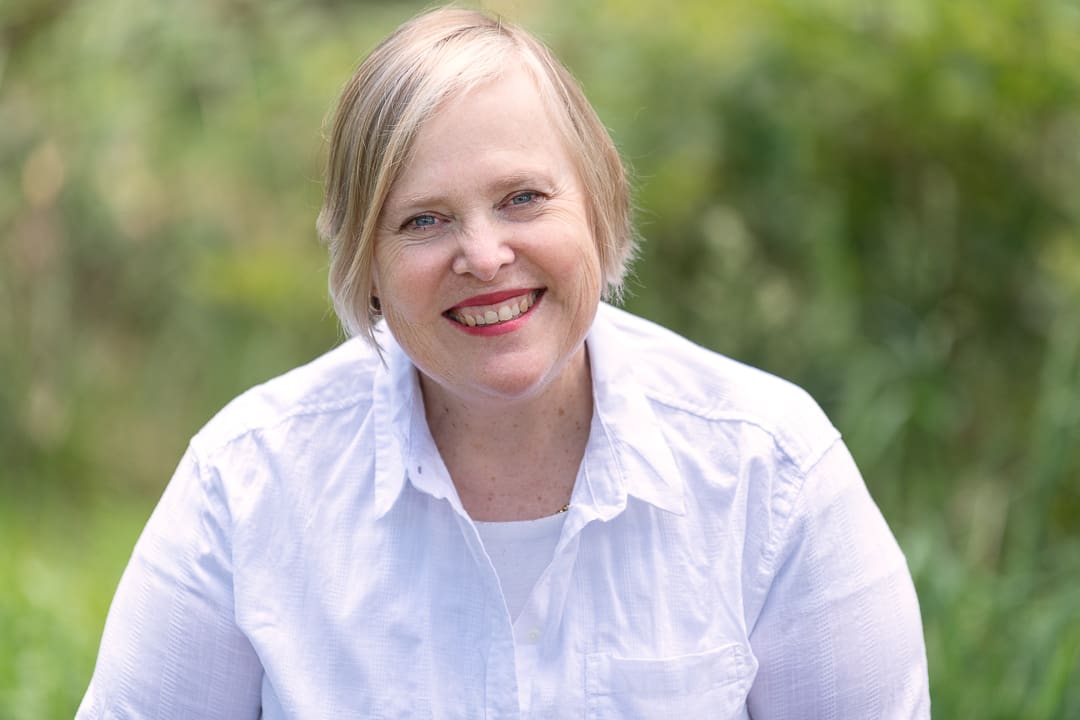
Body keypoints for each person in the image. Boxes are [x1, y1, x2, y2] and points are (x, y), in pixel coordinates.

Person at [77, 6, 930, 718]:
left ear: (599, 208)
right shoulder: (248, 483)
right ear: (363, 265)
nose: (484, 255)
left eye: (522, 198)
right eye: (422, 221)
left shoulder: (767, 469)